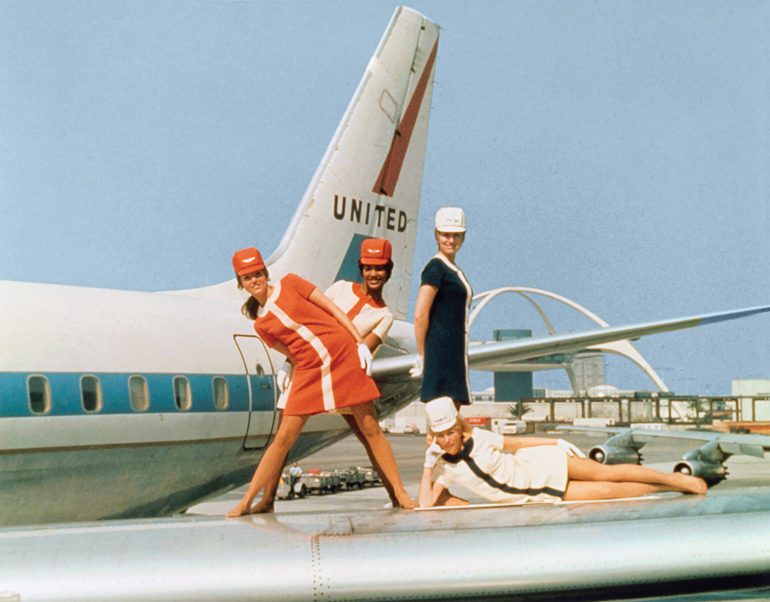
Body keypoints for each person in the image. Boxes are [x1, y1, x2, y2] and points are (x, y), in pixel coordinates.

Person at [226, 246, 415, 517]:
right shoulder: (261, 324)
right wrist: (288, 366)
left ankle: (400, 493)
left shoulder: (292, 282)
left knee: (369, 429)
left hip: (344, 361)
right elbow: (290, 350)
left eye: (257, 273)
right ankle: (252, 501)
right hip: (309, 371)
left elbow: (334, 313)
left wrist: (359, 343)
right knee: (283, 438)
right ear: (241, 283)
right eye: (247, 277)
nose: (254, 280)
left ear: (266, 273)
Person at [418, 397, 708, 508]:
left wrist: (554, 442)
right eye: (440, 436)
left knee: (609, 473)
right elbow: (426, 505)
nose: (447, 440)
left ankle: (676, 481)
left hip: (542, 463)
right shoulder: (445, 469)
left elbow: (516, 445)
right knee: (609, 492)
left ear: (459, 428)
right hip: (537, 493)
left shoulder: (480, 437)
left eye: (450, 432)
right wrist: (428, 466)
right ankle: (663, 486)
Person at [413, 207, 473, 407]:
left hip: (453, 354)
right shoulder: (435, 268)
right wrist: (423, 357)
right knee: (442, 420)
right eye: (445, 235)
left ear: (463, 238)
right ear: (436, 236)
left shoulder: (452, 268)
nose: (451, 240)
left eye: (456, 235)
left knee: (451, 422)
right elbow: (421, 315)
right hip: (440, 356)